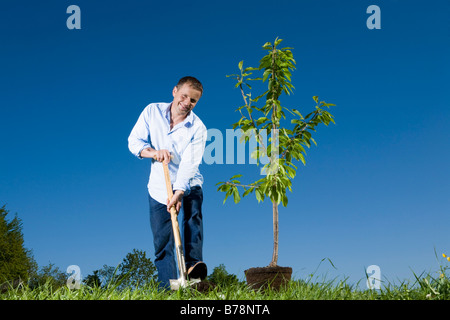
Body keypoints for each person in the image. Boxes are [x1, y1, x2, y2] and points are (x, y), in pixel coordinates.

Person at [128, 76, 208, 289]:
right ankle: (168, 288)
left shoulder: (198, 128)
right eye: (184, 96)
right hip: (158, 188)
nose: (187, 102)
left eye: (193, 100)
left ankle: (193, 276)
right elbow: (134, 142)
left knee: (192, 224)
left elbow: (190, 164)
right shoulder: (152, 111)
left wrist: (179, 191)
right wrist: (154, 153)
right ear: (174, 91)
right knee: (163, 242)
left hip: (188, 183)